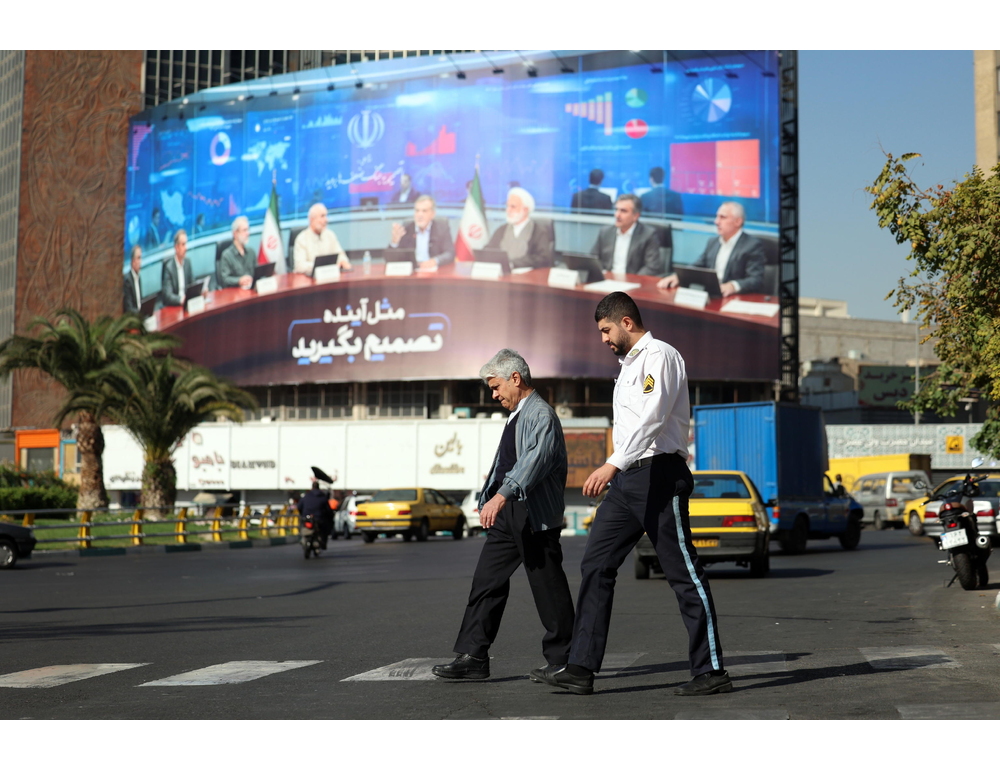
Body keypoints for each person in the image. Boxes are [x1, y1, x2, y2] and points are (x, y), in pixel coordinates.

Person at [537, 292, 730, 697]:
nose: (603, 339)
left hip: (658, 475)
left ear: (626, 322)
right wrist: (618, 468)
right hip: (627, 481)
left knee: (683, 573)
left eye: (606, 330)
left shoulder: (659, 356)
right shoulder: (626, 368)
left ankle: (710, 670)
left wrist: (611, 464)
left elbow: (653, 418)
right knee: (596, 564)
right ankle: (581, 667)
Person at [432, 349, 575, 682]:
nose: (493, 395)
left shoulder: (540, 414)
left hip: (533, 514)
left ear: (516, 378)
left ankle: (566, 660)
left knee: (548, 588)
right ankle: (474, 655)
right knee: (487, 581)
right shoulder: (515, 416)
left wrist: (501, 495)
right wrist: (491, 495)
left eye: (496, 387)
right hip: (508, 514)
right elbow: (507, 463)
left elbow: (533, 462)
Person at [657, 201, 767, 296]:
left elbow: (756, 279)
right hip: (711, 295)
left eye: (722, 217)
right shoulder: (713, 242)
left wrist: (732, 286)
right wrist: (678, 276)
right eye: (717, 217)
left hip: (735, 298)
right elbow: (698, 266)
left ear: (738, 221)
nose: (716, 222)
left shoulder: (752, 245)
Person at [590, 194, 663, 276]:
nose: (617, 215)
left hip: (633, 283)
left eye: (623, 211)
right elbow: (593, 259)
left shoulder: (648, 235)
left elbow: (652, 267)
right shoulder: (605, 232)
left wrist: (630, 280)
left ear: (636, 216)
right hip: (607, 282)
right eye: (616, 210)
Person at [484, 187, 555, 270]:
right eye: (507, 206)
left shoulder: (538, 231)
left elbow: (542, 258)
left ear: (525, 210)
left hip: (527, 277)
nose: (508, 210)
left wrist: (514, 264)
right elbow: (489, 250)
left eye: (513, 207)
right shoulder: (502, 229)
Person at [388, 195, 454, 269]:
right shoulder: (407, 227)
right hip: (413, 273)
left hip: (434, 273)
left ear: (432, 214)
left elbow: (450, 253)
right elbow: (392, 259)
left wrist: (435, 261)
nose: (420, 215)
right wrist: (394, 242)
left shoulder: (442, 227)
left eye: (424, 211)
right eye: (417, 211)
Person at [293, 203, 351, 275]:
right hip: (310, 280)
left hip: (330, 278)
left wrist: (342, 261)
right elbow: (299, 266)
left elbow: (341, 255)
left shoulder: (330, 235)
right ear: (312, 219)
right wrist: (322, 266)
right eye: (322, 216)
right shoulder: (301, 239)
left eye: (326, 216)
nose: (326, 220)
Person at [159, 229, 194, 308]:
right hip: (174, 307)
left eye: (186, 244)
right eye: (183, 244)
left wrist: (201, 291)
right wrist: (181, 299)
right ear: (176, 247)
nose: (186, 248)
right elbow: (168, 295)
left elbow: (192, 284)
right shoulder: (169, 268)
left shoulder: (187, 262)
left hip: (186, 306)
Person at [219, 216, 255, 289]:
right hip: (236, 294)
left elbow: (258, 272)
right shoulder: (226, 255)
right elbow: (225, 280)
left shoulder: (251, 252)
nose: (248, 233)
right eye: (244, 230)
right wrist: (239, 280)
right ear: (235, 234)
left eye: (248, 230)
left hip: (252, 291)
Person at [297, 480, 333, 550]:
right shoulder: (322, 497)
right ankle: (323, 542)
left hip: (306, 517)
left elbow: (299, 507)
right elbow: (328, 509)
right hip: (319, 518)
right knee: (325, 528)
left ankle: (302, 538)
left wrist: (303, 514)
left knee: (301, 524)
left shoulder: (306, 496)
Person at [123, 245, 143, 314]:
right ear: (133, 261)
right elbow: (129, 308)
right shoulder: (127, 281)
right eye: (138, 258)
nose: (140, 261)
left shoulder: (138, 277)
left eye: (141, 258)